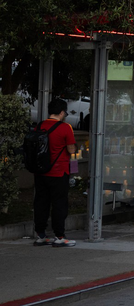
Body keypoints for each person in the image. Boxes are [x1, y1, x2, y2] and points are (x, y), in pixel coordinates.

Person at [32, 98, 77, 247]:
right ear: (62, 112)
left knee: (41, 202)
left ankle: (41, 235)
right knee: (59, 203)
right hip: (59, 172)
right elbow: (71, 149)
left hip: (40, 172)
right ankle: (59, 236)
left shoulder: (39, 126)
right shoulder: (65, 127)